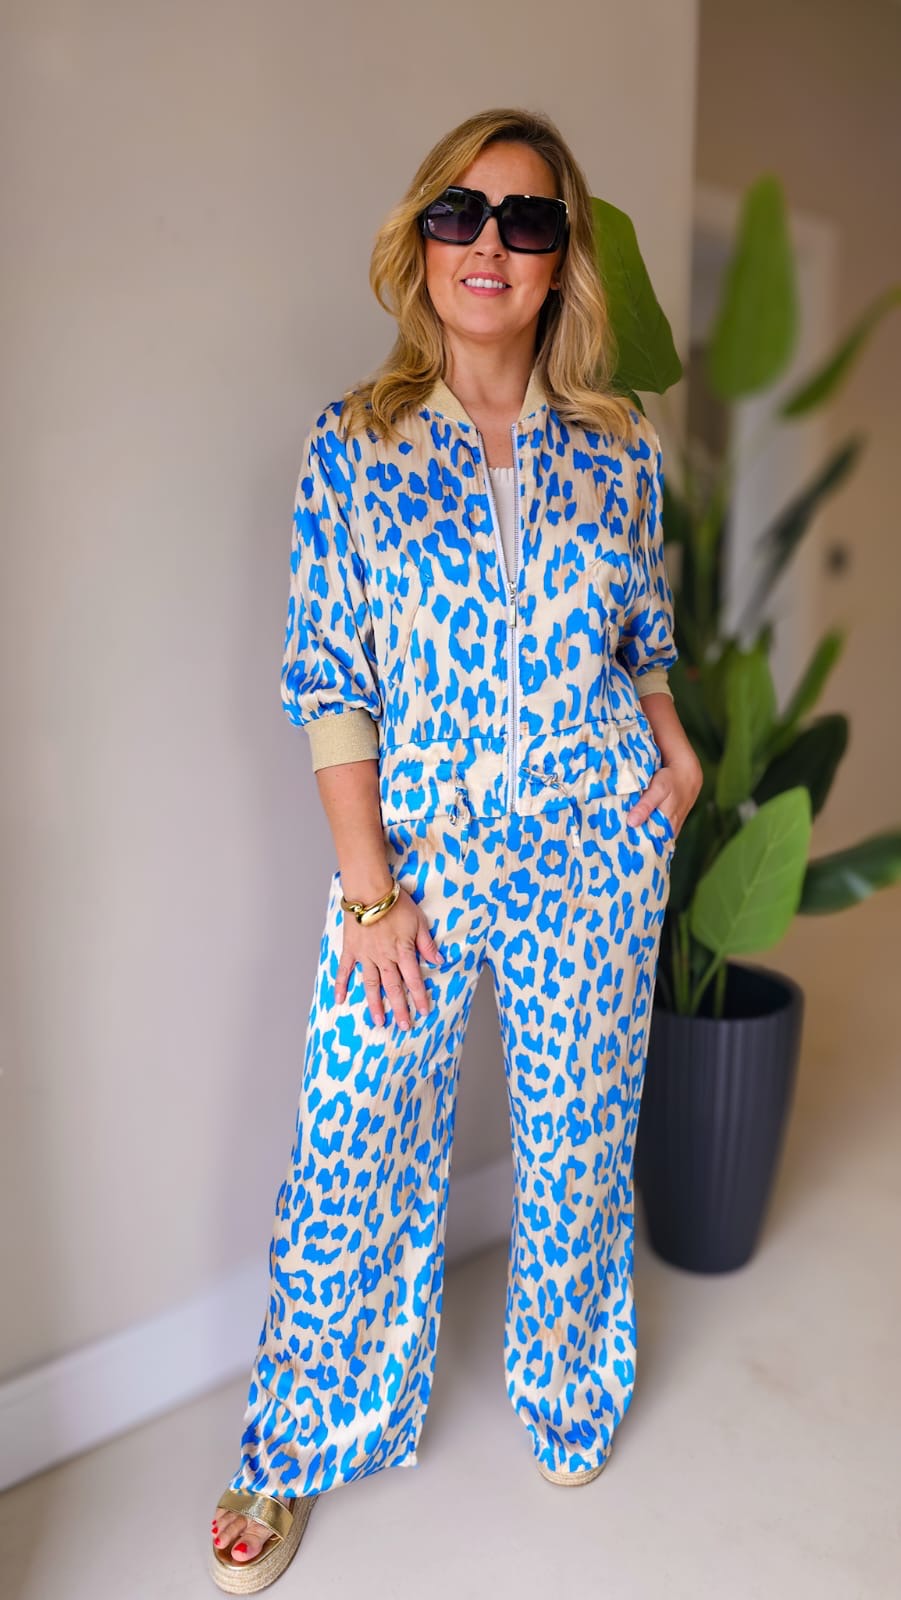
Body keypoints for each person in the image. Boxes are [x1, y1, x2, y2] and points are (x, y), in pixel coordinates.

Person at [209, 105, 703, 1593]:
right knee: (353, 1146)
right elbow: (330, 681)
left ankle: (568, 1384)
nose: (491, 243)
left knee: (579, 1138)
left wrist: (672, 744)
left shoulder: (618, 453)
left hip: (592, 849)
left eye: (528, 219)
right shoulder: (354, 445)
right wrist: (370, 891)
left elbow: (642, 638)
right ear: (422, 239)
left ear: (561, 261)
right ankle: (297, 1440)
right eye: (461, 213)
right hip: (412, 863)